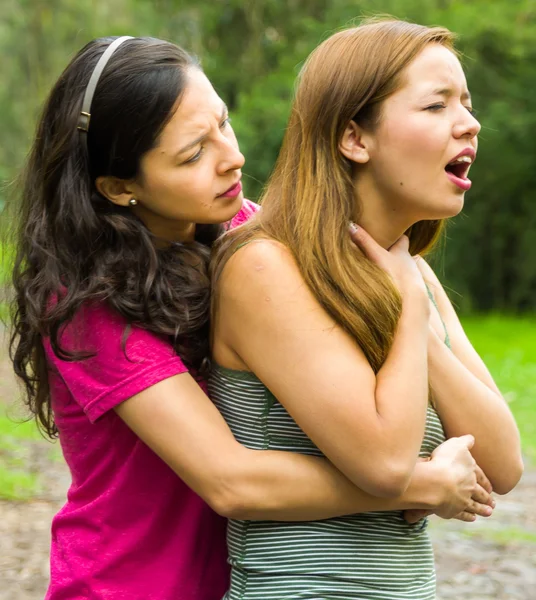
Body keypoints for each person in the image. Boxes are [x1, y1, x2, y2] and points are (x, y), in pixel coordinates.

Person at [8, 35, 494, 600]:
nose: (232, 157)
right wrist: (418, 483)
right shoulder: (87, 304)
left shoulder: (248, 233)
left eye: (223, 124)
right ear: (120, 187)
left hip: (245, 578)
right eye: (193, 154)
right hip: (132, 584)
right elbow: (229, 480)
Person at [210, 19, 524, 599]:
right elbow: (383, 464)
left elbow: (503, 462)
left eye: (467, 103)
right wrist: (406, 310)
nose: (470, 122)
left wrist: (414, 317)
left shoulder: (409, 274)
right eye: (436, 106)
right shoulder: (265, 267)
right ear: (354, 138)